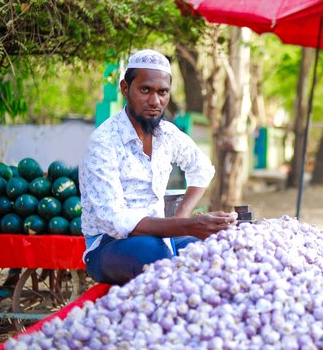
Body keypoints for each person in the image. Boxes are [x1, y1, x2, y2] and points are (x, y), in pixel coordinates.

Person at [80, 49, 236, 285]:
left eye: (162, 92)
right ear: (125, 89)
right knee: (154, 255)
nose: (155, 101)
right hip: (108, 245)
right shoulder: (103, 143)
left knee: (214, 252)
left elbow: (202, 168)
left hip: (162, 237)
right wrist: (186, 225)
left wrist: (182, 220)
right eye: (145, 90)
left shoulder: (168, 134)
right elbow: (115, 220)